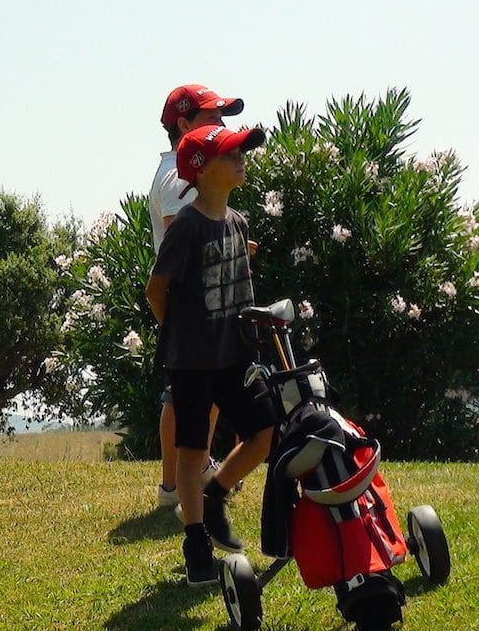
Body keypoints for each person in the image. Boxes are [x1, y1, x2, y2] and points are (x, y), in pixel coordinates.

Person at [146, 123, 275, 586]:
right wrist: (180, 333)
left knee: (263, 432)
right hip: (193, 361)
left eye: (242, 152)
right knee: (193, 448)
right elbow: (156, 291)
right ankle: (197, 539)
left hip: (235, 355)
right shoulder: (186, 227)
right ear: (202, 171)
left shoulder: (238, 223)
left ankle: (216, 494)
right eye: (230, 154)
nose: (241, 159)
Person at [152, 84, 245, 510]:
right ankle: (174, 488)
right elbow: (179, 248)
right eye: (212, 119)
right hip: (192, 310)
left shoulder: (178, 172)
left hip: (203, 309)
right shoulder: (177, 178)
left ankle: (191, 475)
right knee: (182, 398)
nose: (221, 127)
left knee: (196, 399)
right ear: (185, 125)